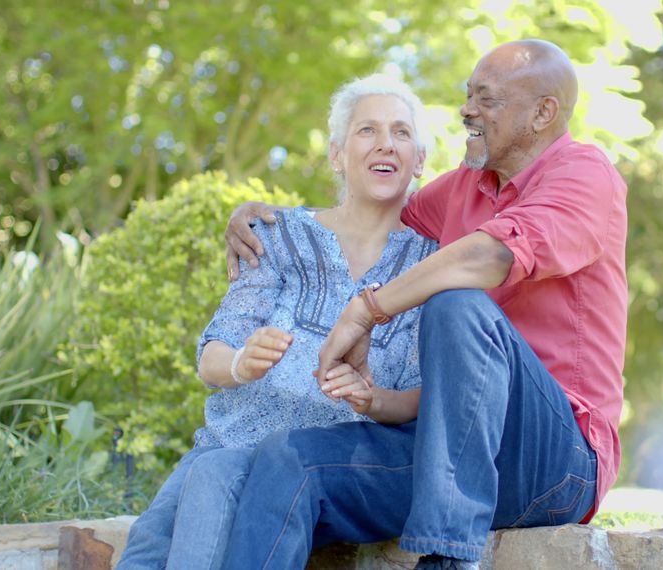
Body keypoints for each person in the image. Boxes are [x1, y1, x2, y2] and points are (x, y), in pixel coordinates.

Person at [221, 39, 628, 569]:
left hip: (556, 461)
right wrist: (272, 225)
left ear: (542, 113)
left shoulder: (585, 174)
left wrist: (367, 309)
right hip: (447, 452)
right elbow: (370, 215)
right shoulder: (461, 189)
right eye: (467, 96)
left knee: (457, 304)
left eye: (487, 99)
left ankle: (446, 556)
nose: (466, 111)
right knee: (288, 457)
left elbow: (489, 256)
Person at [115, 73, 437, 570]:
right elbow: (212, 355)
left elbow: (419, 399)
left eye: (400, 132)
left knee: (213, 480)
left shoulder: (429, 267)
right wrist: (243, 362)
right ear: (337, 155)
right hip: (227, 443)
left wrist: (369, 398)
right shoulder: (277, 235)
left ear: (419, 160)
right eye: (367, 130)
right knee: (144, 555)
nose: (385, 144)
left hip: (319, 468)